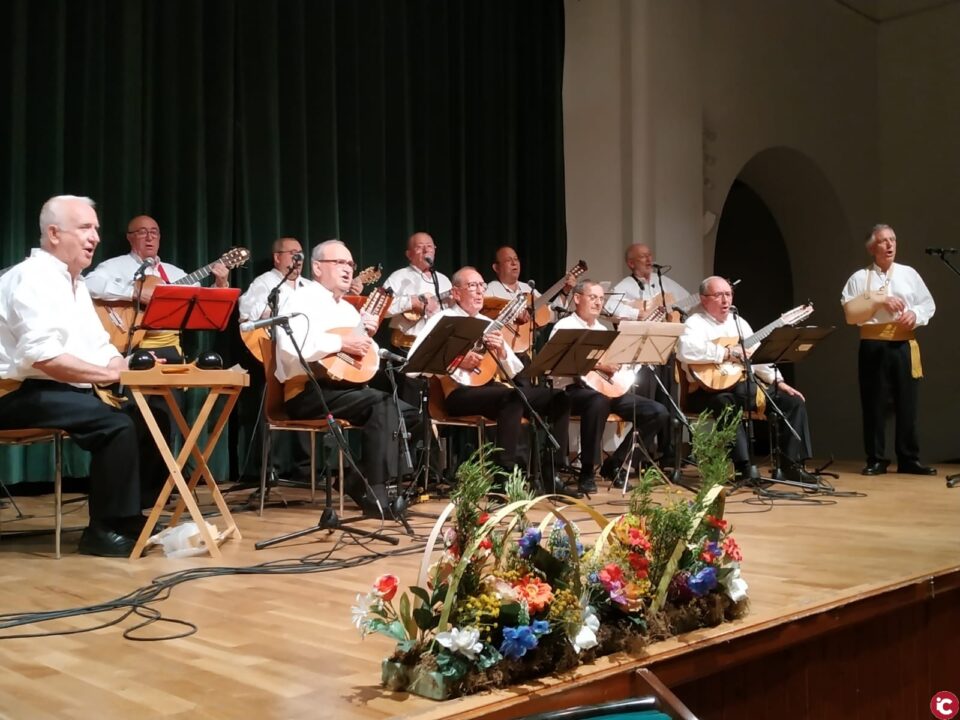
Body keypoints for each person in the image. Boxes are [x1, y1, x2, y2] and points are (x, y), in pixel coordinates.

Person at [0, 195, 152, 556]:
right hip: (13, 392)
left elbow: (100, 344)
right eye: (85, 228)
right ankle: (103, 531)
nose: (95, 237)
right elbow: (44, 357)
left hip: (54, 389)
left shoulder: (77, 284)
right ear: (54, 234)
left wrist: (122, 366)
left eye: (95, 229)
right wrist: (106, 375)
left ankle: (128, 518)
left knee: (145, 415)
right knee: (114, 425)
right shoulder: (30, 278)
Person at [275, 239, 417, 516]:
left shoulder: (348, 309)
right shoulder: (300, 298)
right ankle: (376, 494)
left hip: (344, 388)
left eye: (350, 263)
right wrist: (341, 342)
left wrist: (367, 338)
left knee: (413, 416)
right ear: (317, 267)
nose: (348, 269)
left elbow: (364, 361)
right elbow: (291, 345)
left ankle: (356, 479)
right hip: (307, 390)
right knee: (384, 405)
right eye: (339, 262)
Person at [407, 266, 571, 489]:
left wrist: (501, 351)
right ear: (456, 293)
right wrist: (456, 361)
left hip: (491, 390)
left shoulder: (488, 323)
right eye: (472, 286)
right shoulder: (442, 320)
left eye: (481, 286)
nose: (479, 291)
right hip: (457, 393)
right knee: (511, 397)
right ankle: (503, 478)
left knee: (559, 398)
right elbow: (414, 364)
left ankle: (552, 471)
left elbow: (514, 371)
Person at [677, 276, 816, 484]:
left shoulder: (739, 322)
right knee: (727, 403)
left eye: (728, 294)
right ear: (704, 299)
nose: (725, 300)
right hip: (705, 392)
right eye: (718, 295)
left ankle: (791, 465)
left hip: (741, 387)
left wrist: (778, 381)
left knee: (792, 401)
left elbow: (757, 358)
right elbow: (685, 351)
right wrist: (726, 353)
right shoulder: (694, 323)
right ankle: (743, 468)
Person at [551, 279, 669, 491]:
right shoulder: (564, 326)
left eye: (601, 299)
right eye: (593, 297)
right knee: (597, 402)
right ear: (577, 298)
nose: (598, 303)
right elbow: (559, 363)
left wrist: (625, 364)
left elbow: (616, 368)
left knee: (657, 412)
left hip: (606, 389)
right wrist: (599, 364)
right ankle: (587, 471)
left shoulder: (603, 329)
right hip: (572, 391)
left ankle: (616, 463)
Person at [841, 224, 936, 476]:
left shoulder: (909, 273)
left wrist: (915, 314)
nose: (890, 244)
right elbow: (850, 314)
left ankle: (908, 458)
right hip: (873, 344)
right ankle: (876, 458)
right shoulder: (859, 278)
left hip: (903, 343)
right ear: (872, 248)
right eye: (883, 241)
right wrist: (878, 300)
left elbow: (927, 304)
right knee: (874, 403)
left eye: (892, 239)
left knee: (908, 402)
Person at [85, 214, 231, 362]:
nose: (150, 237)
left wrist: (220, 285)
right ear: (130, 237)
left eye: (154, 232)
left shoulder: (175, 273)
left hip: (170, 349)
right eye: (142, 232)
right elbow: (89, 284)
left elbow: (202, 306)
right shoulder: (114, 266)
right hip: (129, 346)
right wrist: (135, 293)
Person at [607, 243, 691, 465]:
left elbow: (686, 301)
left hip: (665, 350)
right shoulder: (624, 286)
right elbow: (609, 308)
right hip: (641, 355)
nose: (648, 259)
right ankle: (643, 456)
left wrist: (674, 310)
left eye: (649, 255)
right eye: (643, 256)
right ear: (631, 263)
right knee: (648, 402)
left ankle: (669, 453)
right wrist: (638, 313)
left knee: (668, 400)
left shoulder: (663, 282)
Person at [485, 246, 575, 353]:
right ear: (496, 267)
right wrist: (513, 314)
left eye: (516, 259)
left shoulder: (528, 288)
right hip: (501, 351)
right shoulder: (490, 290)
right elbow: (484, 317)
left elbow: (550, 315)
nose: (514, 263)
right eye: (508, 260)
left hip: (527, 351)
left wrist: (565, 292)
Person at [382, 232, 452, 348]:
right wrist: (410, 302)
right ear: (409, 254)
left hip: (438, 343)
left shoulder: (443, 280)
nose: (426, 250)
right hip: (406, 344)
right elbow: (382, 308)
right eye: (419, 247)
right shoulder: (398, 277)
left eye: (429, 246)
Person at [238, 237, 314, 322]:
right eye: (293, 254)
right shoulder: (263, 282)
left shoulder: (310, 286)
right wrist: (271, 312)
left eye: (301, 254)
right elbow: (245, 314)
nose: (299, 259)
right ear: (277, 257)